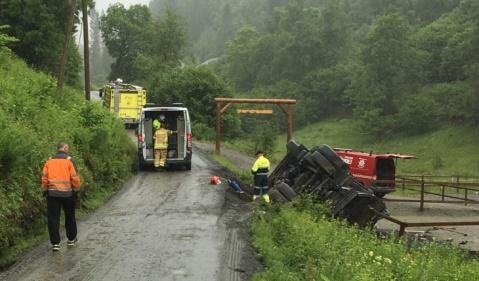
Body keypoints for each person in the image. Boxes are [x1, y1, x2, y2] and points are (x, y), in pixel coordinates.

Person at [41, 142, 81, 251]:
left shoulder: (49, 161)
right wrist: (76, 190)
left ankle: (55, 244)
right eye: (67, 148)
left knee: (53, 218)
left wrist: (45, 189)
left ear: (57, 149)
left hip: (52, 194)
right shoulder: (69, 161)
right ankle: (71, 239)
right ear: (65, 148)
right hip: (68, 194)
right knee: (70, 216)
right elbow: (75, 177)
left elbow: (44, 177)